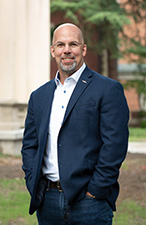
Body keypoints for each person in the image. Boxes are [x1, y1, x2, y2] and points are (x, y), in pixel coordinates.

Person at [21, 23, 129, 225]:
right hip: (48, 201)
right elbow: (30, 145)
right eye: (60, 45)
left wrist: (95, 191)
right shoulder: (39, 96)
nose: (67, 50)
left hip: (89, 203)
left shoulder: (108, 90)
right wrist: (32, 181)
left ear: (84, 49)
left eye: (73, 44)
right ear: (53, 51)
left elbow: (115, 146)